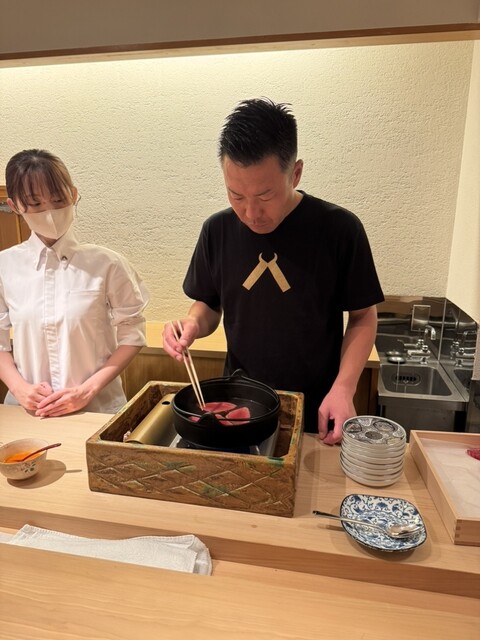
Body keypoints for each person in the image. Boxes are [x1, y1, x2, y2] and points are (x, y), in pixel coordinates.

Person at [163, 98, 384, 444]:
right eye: (236, 196)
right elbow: (208, 305)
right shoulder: (217, 230)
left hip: (317, 406)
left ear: (295, 173)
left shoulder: (339, 229)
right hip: (239, 406)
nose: (251, 213)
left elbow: (363, 316)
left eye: (265, 196)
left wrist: (344, 388)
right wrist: (192, 324)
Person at [0, 149, 149, 417]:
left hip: (96, 410)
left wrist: (88, 390)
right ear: (15, 206)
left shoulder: (107, 264)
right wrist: (20, 389)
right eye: (35, 204)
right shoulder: (5, 266)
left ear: (73, 194)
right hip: (28, 412)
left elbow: (133, 334)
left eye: (58, 200)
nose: (49, 212)